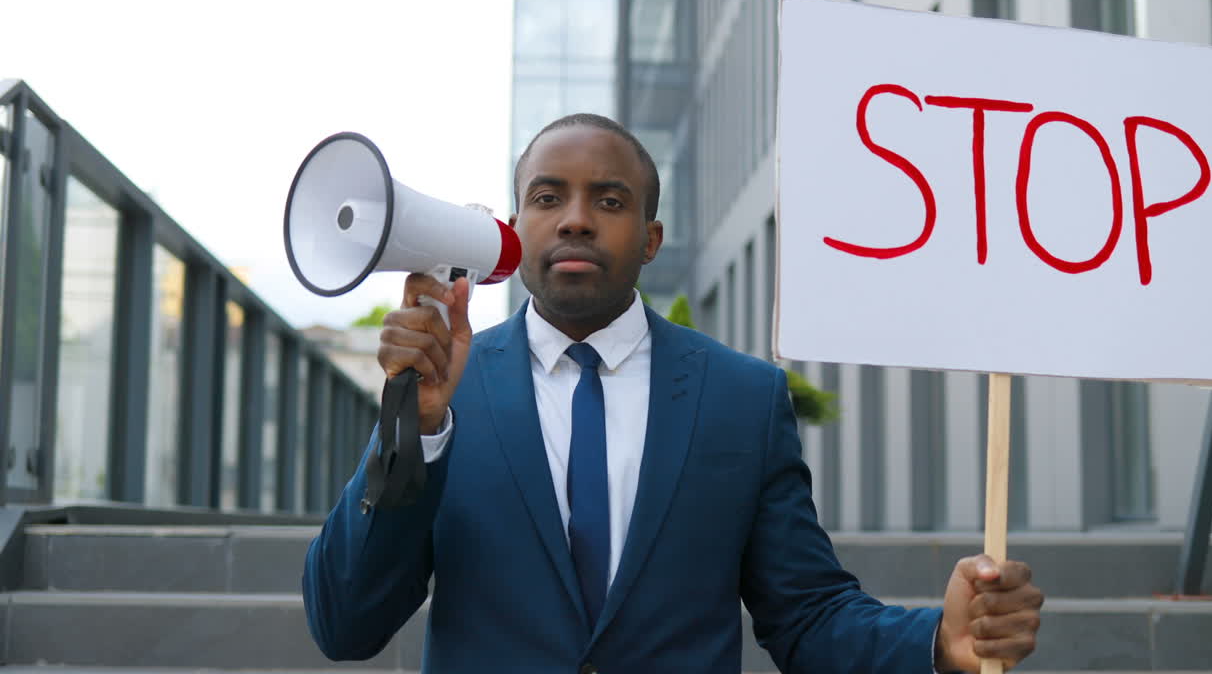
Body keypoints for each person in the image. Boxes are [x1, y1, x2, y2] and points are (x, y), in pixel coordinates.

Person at [302, 113, 1043, 673]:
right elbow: (345, 623)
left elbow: (807, 617)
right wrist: (417, 429)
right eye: (547, 196)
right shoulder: (447, 395)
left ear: (650, 239)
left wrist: (940, 641)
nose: (576, 218)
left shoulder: (743, 400)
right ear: (515, 225)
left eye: (610, 200)